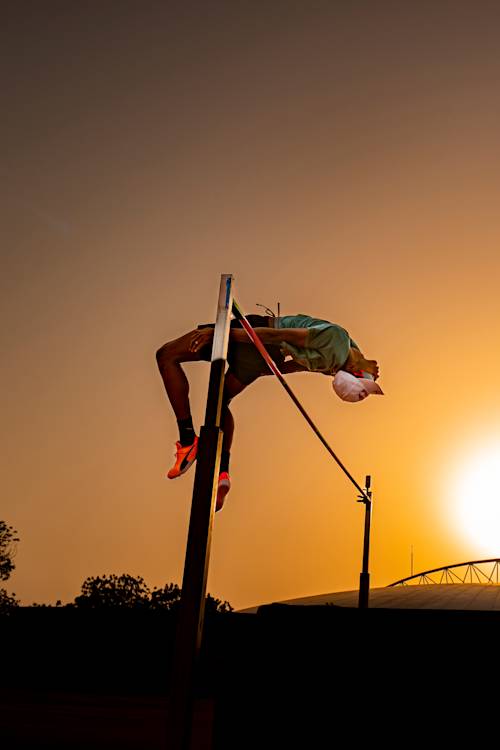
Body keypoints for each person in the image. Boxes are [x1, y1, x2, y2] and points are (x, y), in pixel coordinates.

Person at [155, 313, 382, 511]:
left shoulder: (337, 339)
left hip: (257, 336)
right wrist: (263, 369)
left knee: (166, 355)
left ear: (353, 370)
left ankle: (187, 440)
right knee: (220, 402)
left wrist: (220, 334)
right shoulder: (332, 366)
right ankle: (223, 473)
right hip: (265, 359)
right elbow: (291, 366)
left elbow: (277, 336)